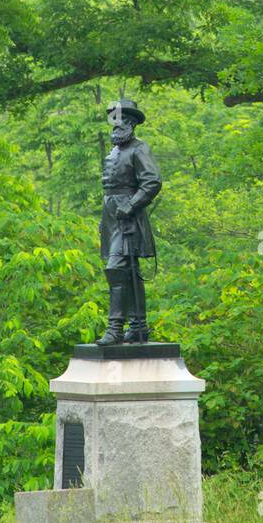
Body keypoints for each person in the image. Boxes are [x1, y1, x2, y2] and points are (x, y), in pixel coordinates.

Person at [97, 98, 162, 344]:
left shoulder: (139, 148)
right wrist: (105, 219)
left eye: (120, 119)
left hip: (128, 215)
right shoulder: (114, 151)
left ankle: (115, 328)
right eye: (113, 118)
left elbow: (152, 181)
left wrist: (131, 205)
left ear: (132, 123)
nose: (115, 124)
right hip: (111, 216)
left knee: (116, 269)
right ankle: (138, 326)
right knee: (128, 271)